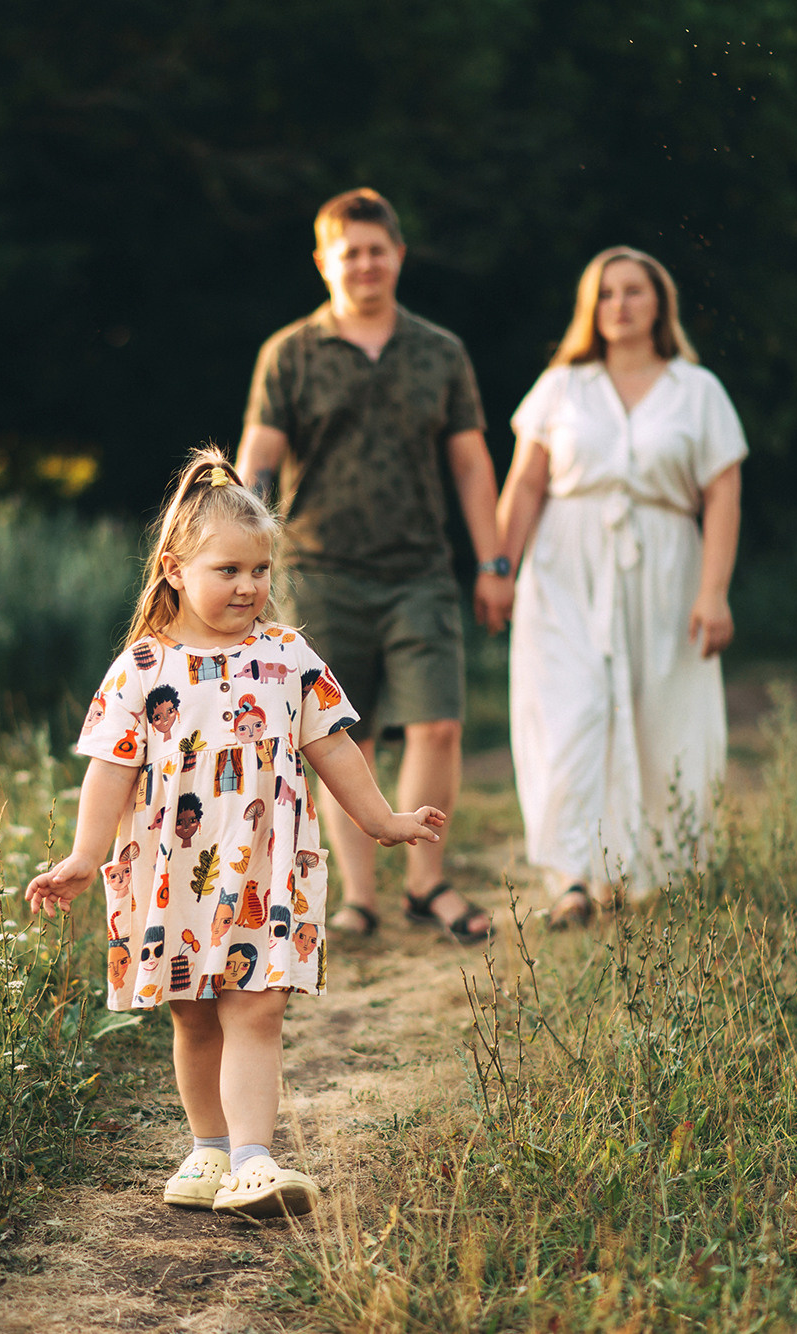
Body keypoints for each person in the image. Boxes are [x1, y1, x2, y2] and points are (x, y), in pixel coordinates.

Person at [26, 448, 445, 1219]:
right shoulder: (142, 667)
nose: (249, 587)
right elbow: (109, 769)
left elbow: (334, 746)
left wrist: (381, 819)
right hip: (171, 869)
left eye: (260, 570)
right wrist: (86, 854)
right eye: (228, 571)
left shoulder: (288, 657)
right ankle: (208, 1149)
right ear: (175, 569)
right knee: (192, 1013)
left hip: (262, 868)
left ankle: (255, 1159)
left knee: (257, 1007)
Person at [237, 188, 507, 944]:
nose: (364, 264)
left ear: (399, 257)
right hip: (317, 572)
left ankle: (427, 884)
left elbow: (471, 464)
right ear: (324, 261)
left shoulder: (439, 351)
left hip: (420, 569)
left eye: (376, 249)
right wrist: (242, 565)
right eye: (348, 252)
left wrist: (492, 560)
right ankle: (360, 898)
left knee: (438, 724)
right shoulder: (289, 352)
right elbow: (257, 462)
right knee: (338, 737)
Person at [484, 246, 746, 926]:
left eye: (633, 291)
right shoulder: (562, 387)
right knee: (570, 712)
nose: (619, 305)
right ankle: (572, 875)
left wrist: (713, 591)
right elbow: (528, 483)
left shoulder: (698, 389)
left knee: (662, 709)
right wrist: (499, 570)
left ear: (659, 303)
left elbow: (722, 494)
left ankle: (648, 867)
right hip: (566, 568)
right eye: (606, 294)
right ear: (589, 309)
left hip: (665, 567)